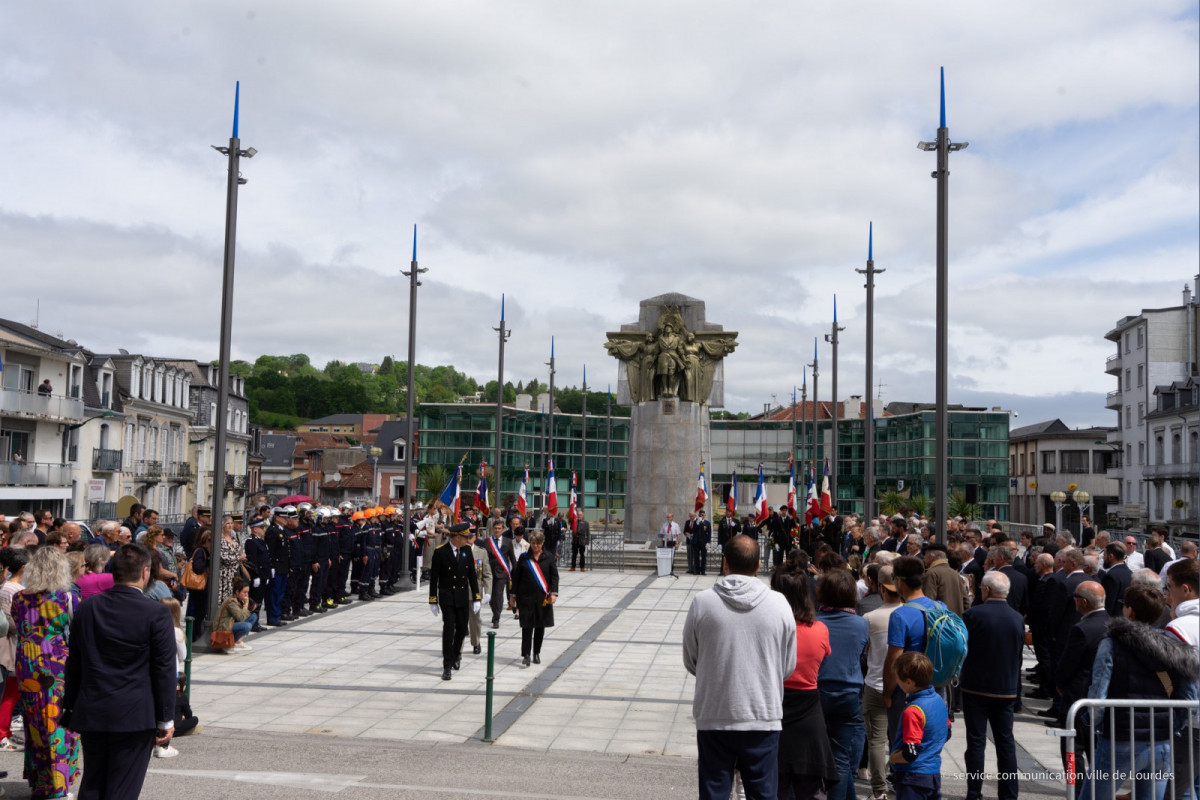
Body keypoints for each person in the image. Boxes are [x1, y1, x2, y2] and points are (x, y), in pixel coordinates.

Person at [682, 535, 796, 800]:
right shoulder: (780, 604)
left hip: (715, 712)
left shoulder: (703, 602)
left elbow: (691, 659)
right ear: (758, 566)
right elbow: (787, 665)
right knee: (764, 793)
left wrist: (717, 672)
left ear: (725, 564)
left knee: (714, 792)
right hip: (762, 713)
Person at [62, 544, 176, 800]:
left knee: (93, 781)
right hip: (135, 712)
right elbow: (164, 668)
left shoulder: (88, 607)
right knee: (123, 787)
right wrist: (166, 717)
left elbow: (75, 662)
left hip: (93, 707)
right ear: (145, 572)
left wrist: (70, 706)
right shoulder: (156, 612)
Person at [1080, 583, 1199, 800]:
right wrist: (1175, 727)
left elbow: (1098, 691)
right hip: (1161, 739)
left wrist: (1094, 723)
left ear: (1130, 611)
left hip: (1120, 736)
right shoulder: (1174, 645)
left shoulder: (1113, 643)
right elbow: (1189, 697)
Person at [12, 547, 81, 798]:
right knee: (58, 728)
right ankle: (57, 789)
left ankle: (40, 783)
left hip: (27, 667)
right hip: (56, 668)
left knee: (35, 726)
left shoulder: (19, 599)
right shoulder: (67, 599)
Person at [769, 564, 837, 800]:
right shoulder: (820, 629)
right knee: (810, 788)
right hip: (809, 708)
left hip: (775, 705)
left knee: (774, 786)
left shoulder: (771, 629)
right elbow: (825, 654)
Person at [960, 571, 1025, 800]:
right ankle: (1009, 794)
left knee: (976, 742)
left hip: (975, 687)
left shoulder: (973, 615)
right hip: (1005, 688)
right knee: (1006, 743)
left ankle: (974, 792)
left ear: (986, 590)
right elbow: (1018, 656)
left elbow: (963, 649)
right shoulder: (1017, 618)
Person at [815, 568, 869, 800]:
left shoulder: (815, 623)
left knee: (815, 755)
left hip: (816, 692)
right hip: (848, 692)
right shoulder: (860, 624)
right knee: (841, 758)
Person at [1053, 580, 1108, 795]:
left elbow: (1067, 663)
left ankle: (1076, 792)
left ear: (1083, 602)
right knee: (1097, 750)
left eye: (1075, 597)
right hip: (1101, 697)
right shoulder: (1113, 623)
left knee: (1073, 749)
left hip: (1078, 695)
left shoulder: (1082, 628)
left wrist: (1059, 684)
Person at [862, 564, 902, 800]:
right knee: (899, 735)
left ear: (881, 588)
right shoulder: (911, 614)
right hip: (903, 685)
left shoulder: (870, 617)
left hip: (875, 682)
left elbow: (864, 651)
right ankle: (898, 778)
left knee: (876, 740)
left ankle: (879, 790)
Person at [888, 652, 951, 800]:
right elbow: (947, 733)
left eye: (898, 678)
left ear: (909, 682)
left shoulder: (913, 711)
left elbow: (910, 753)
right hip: (933, 774)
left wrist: (893, 759)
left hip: (913, 778)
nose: (897, 681)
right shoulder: (939, 701)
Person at [428, 523, 481, 680]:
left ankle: (456, 653)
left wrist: (477, 597)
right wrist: (432, 599)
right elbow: (434, 578)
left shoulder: (466, 551)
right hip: (447, 595)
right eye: (466, 537)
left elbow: (472, 575)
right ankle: (447, 664)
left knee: (462, 628)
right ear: (457, 537)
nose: (468, 539)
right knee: (449, 628)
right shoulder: (441, 552)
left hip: (462, 596)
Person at [510, 529, 558, 668]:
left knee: (540, 626)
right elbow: (516, 578)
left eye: (538, 543)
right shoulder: (524, 558)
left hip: (543, 598)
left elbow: (554, 577)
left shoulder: (548, 557)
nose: (535, 546)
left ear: (542, 543)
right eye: (533, 543)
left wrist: (554, 593)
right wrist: (513, 596)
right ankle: (526, 654)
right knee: (526, 626)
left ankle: (536, 652)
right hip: (526, 598)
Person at [0, 546, 29, 752]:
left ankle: (6, 732)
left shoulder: (6, 587)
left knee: (9, 694)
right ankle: (2, 734)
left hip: (9, 644)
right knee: (9, 695)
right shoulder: (17, 591)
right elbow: (15, 622)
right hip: (11, 646)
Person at [465, 529, 492, 656]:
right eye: (466, 536)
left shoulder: (481, 553)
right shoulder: (458, 551)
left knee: (475, 620)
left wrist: (488, 592)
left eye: (471, 536)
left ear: (475, 537)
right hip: (458, 591)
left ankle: (476, 642)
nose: (468, 539)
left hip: (474, 592)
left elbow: (487, 574)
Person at [214, 578, 258, 653]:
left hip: (230, 624)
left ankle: (237, 642)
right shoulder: (232, 602)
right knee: (247, 626)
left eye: (247, 592)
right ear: (237, 592)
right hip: (223, 627)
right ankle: (229, 644)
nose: (246, 595)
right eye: (244, 592)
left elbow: (243, 616)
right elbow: (241, 618)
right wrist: (246, 605)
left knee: (253, 616)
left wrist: (249, 608)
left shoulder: (239, 600)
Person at [482, 519, 511, 629]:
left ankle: (496, 618)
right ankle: (495, 612)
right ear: (492, 529)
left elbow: (512, 558)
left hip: (501, 573)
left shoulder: (508, 542)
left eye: (499, 528)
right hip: (489, 574)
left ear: (503, 529)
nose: (497, 530)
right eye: (495, 528)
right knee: (490, 596)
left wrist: (514, 574)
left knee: (498, 595)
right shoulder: (487, 542)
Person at [185, 528, 212, 642]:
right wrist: (208, 561)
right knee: (198, 613)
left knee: (200, 612)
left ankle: (196, 635)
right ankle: (194, 636)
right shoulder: (200, 551)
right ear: (206, 540)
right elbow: (198, 567)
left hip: (202, 589)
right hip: (198, 588)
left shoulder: (205, 551)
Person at [217, 515, 245, 606]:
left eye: (231, 523)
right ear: (223, 525)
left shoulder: (233, 538)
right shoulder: (220, 540)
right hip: (224, 574)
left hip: (234, 573)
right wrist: (238, 557)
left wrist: (240, 556)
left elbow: (239, 551)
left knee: (233, 598)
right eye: (227, 523)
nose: (230, 525)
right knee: (223, 599)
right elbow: (224, 557)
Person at [693, 510, 712, 575]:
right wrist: (697, 523)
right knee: (696, 557)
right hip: (696, 542)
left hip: (704, 542)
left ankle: (703, 570)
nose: (702, 516)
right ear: (699, 515)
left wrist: (708, 542)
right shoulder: (696, 522)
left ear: (705, 515)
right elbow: (693, 530)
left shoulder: (707, 523)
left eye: (703, 515)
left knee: (704, 557)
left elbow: (709, 533)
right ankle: (697, 570)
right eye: (700, 515)